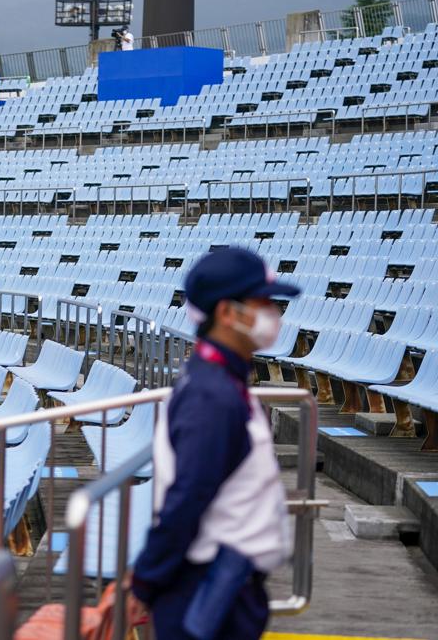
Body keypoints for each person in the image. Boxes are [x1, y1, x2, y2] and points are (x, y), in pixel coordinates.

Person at [129, 247, 300, 640]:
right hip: (208, 591)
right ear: (227, 313)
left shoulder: (221, 381)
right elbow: (189, 496)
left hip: (223, 586)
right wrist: (146, 582)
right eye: (261, 303)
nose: (272, 314)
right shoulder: (212, 396)